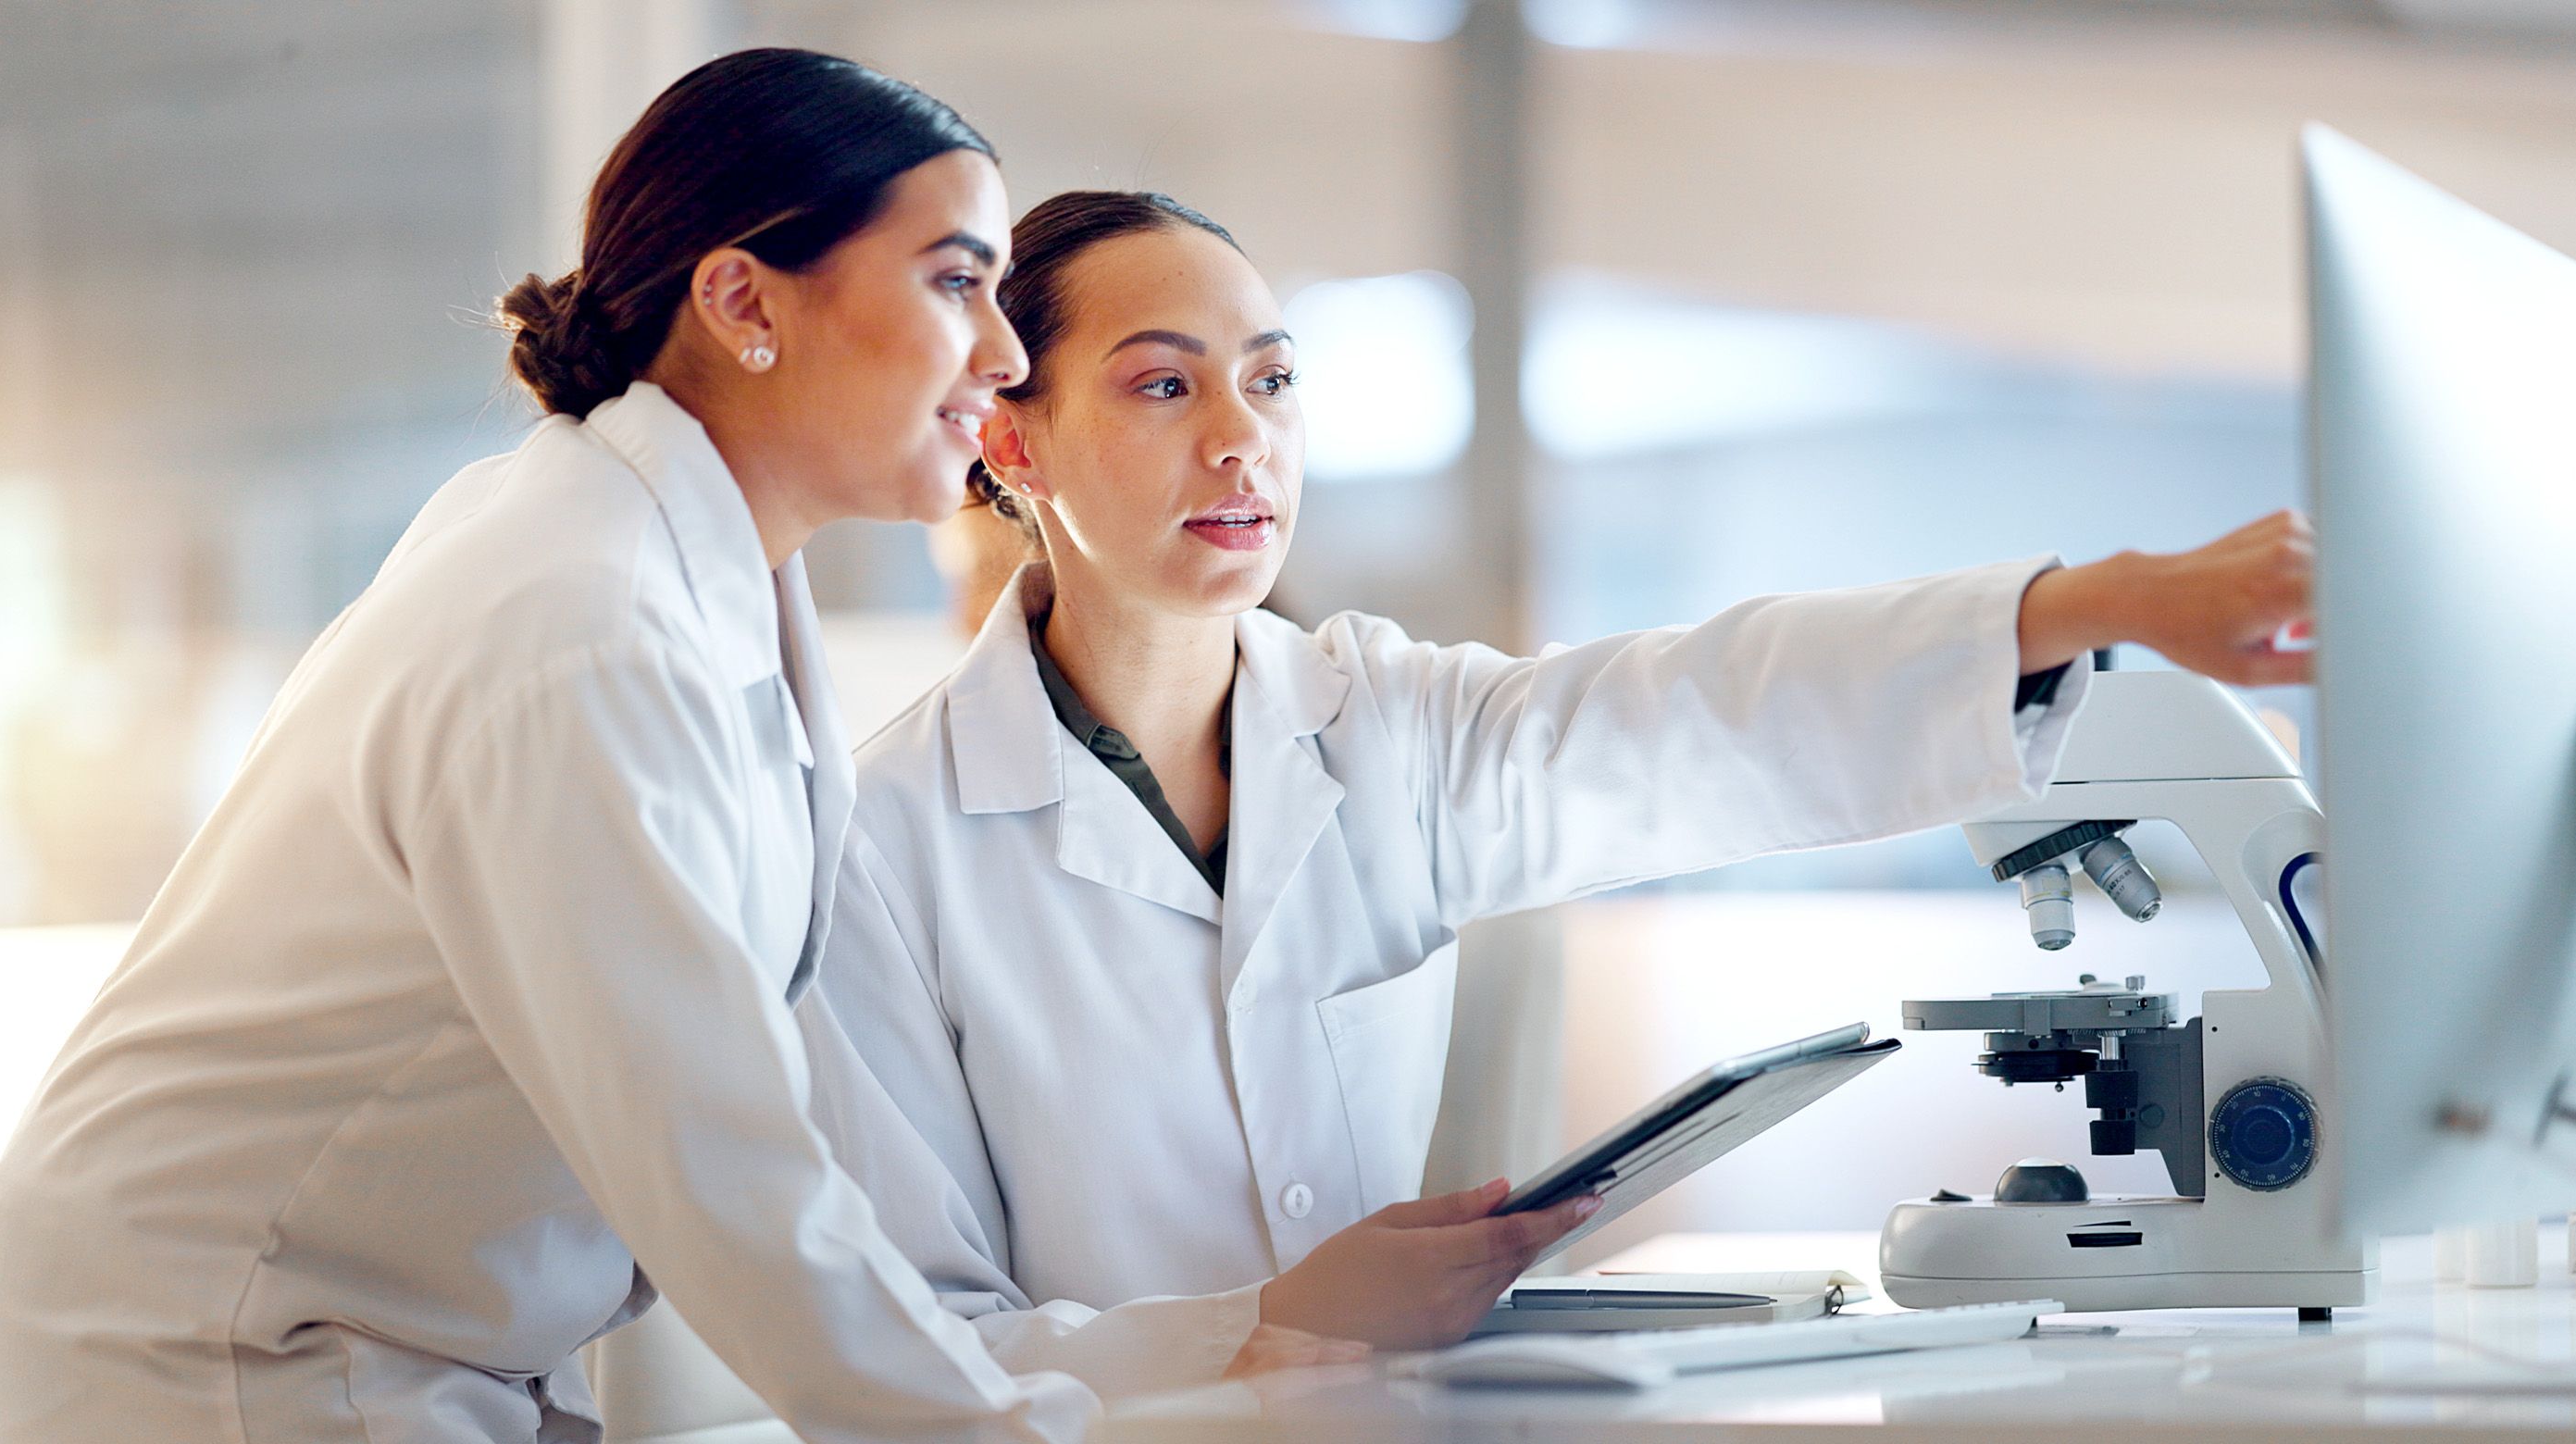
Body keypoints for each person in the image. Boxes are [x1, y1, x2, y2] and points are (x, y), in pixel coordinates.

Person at [801, 188, 2318, 1393]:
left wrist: (2096, 602)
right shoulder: (884, 845)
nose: (1240, 436)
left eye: (1271, 380)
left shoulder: (1386, 724)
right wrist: (1257, 1325)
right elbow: (900, 1352)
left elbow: (1706, 713)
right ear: (1010, 436)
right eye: (1160, 384)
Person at [0, 49, 1142, 1444]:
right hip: (222, 1367)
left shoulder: (678, 574)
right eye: (957, 281)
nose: (1008, 356)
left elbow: (770, 1135)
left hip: (397, 1359)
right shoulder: (580, 621)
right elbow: (722, 1170)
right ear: (742, 299)